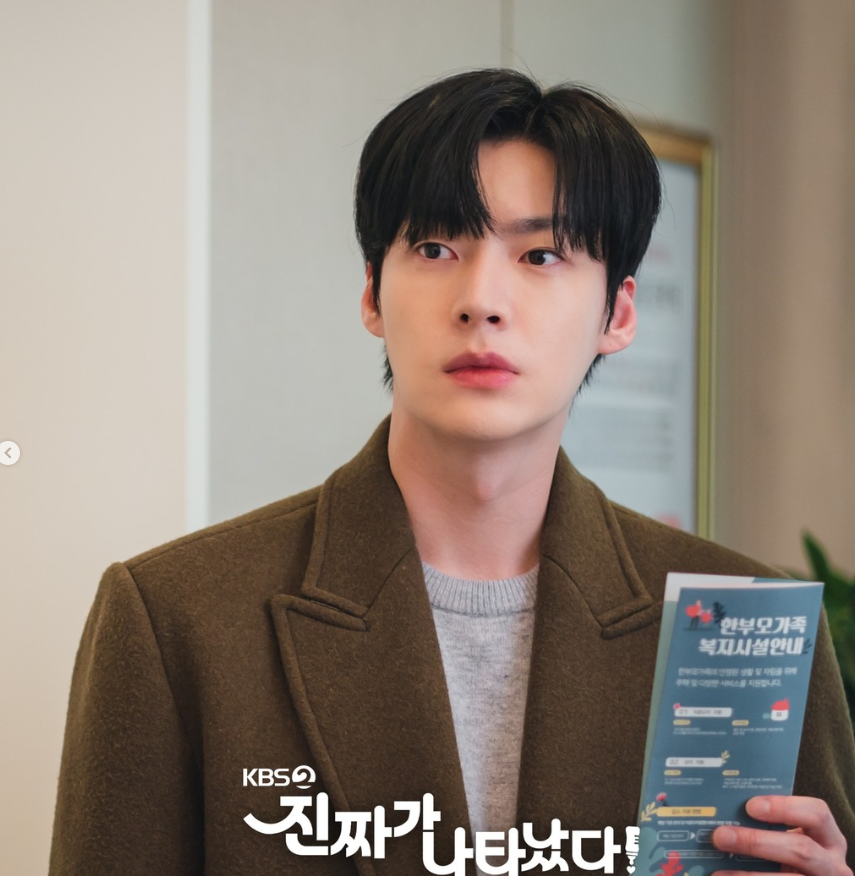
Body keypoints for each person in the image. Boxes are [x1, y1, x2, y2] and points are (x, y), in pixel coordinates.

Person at [50, 68, 854, 876]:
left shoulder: (750, 631)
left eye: (540, 254)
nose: (481, 301)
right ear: (372, 293)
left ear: (616, 313)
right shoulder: (175, 619)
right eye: (436, 248)